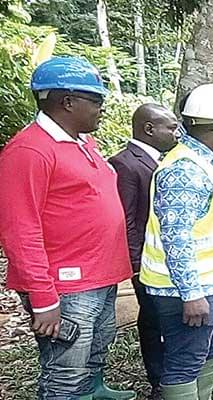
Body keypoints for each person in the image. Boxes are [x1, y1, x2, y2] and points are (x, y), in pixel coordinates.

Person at [0, 56, 134, 400]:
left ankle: (95, 389)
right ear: (67, 101)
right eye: (96, 100)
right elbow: (19, 229)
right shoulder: (29, 151)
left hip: (98, 275)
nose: (102, 108)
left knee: (96, 346)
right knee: (66, 368)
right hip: (66, 283)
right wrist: (43, 298)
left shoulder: (81, 141)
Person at [140, 83, 213, 400]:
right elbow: (177, 238)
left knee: (208, 350)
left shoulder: (206, 161)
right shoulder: (184, 170)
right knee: (184, 362)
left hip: (212, 283)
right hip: (188, 290)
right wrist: (191, 294)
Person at [109, 104, 180, 399]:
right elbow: (126, 219)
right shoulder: (126, 163)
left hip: (161, 259)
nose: (177, 134)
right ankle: (159, 380)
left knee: (164, 319)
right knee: (152, 320)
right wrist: (136, 264)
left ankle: (170, 375)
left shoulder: (158, 160)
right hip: (145, 263)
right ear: (149, 129)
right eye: (171, 128)